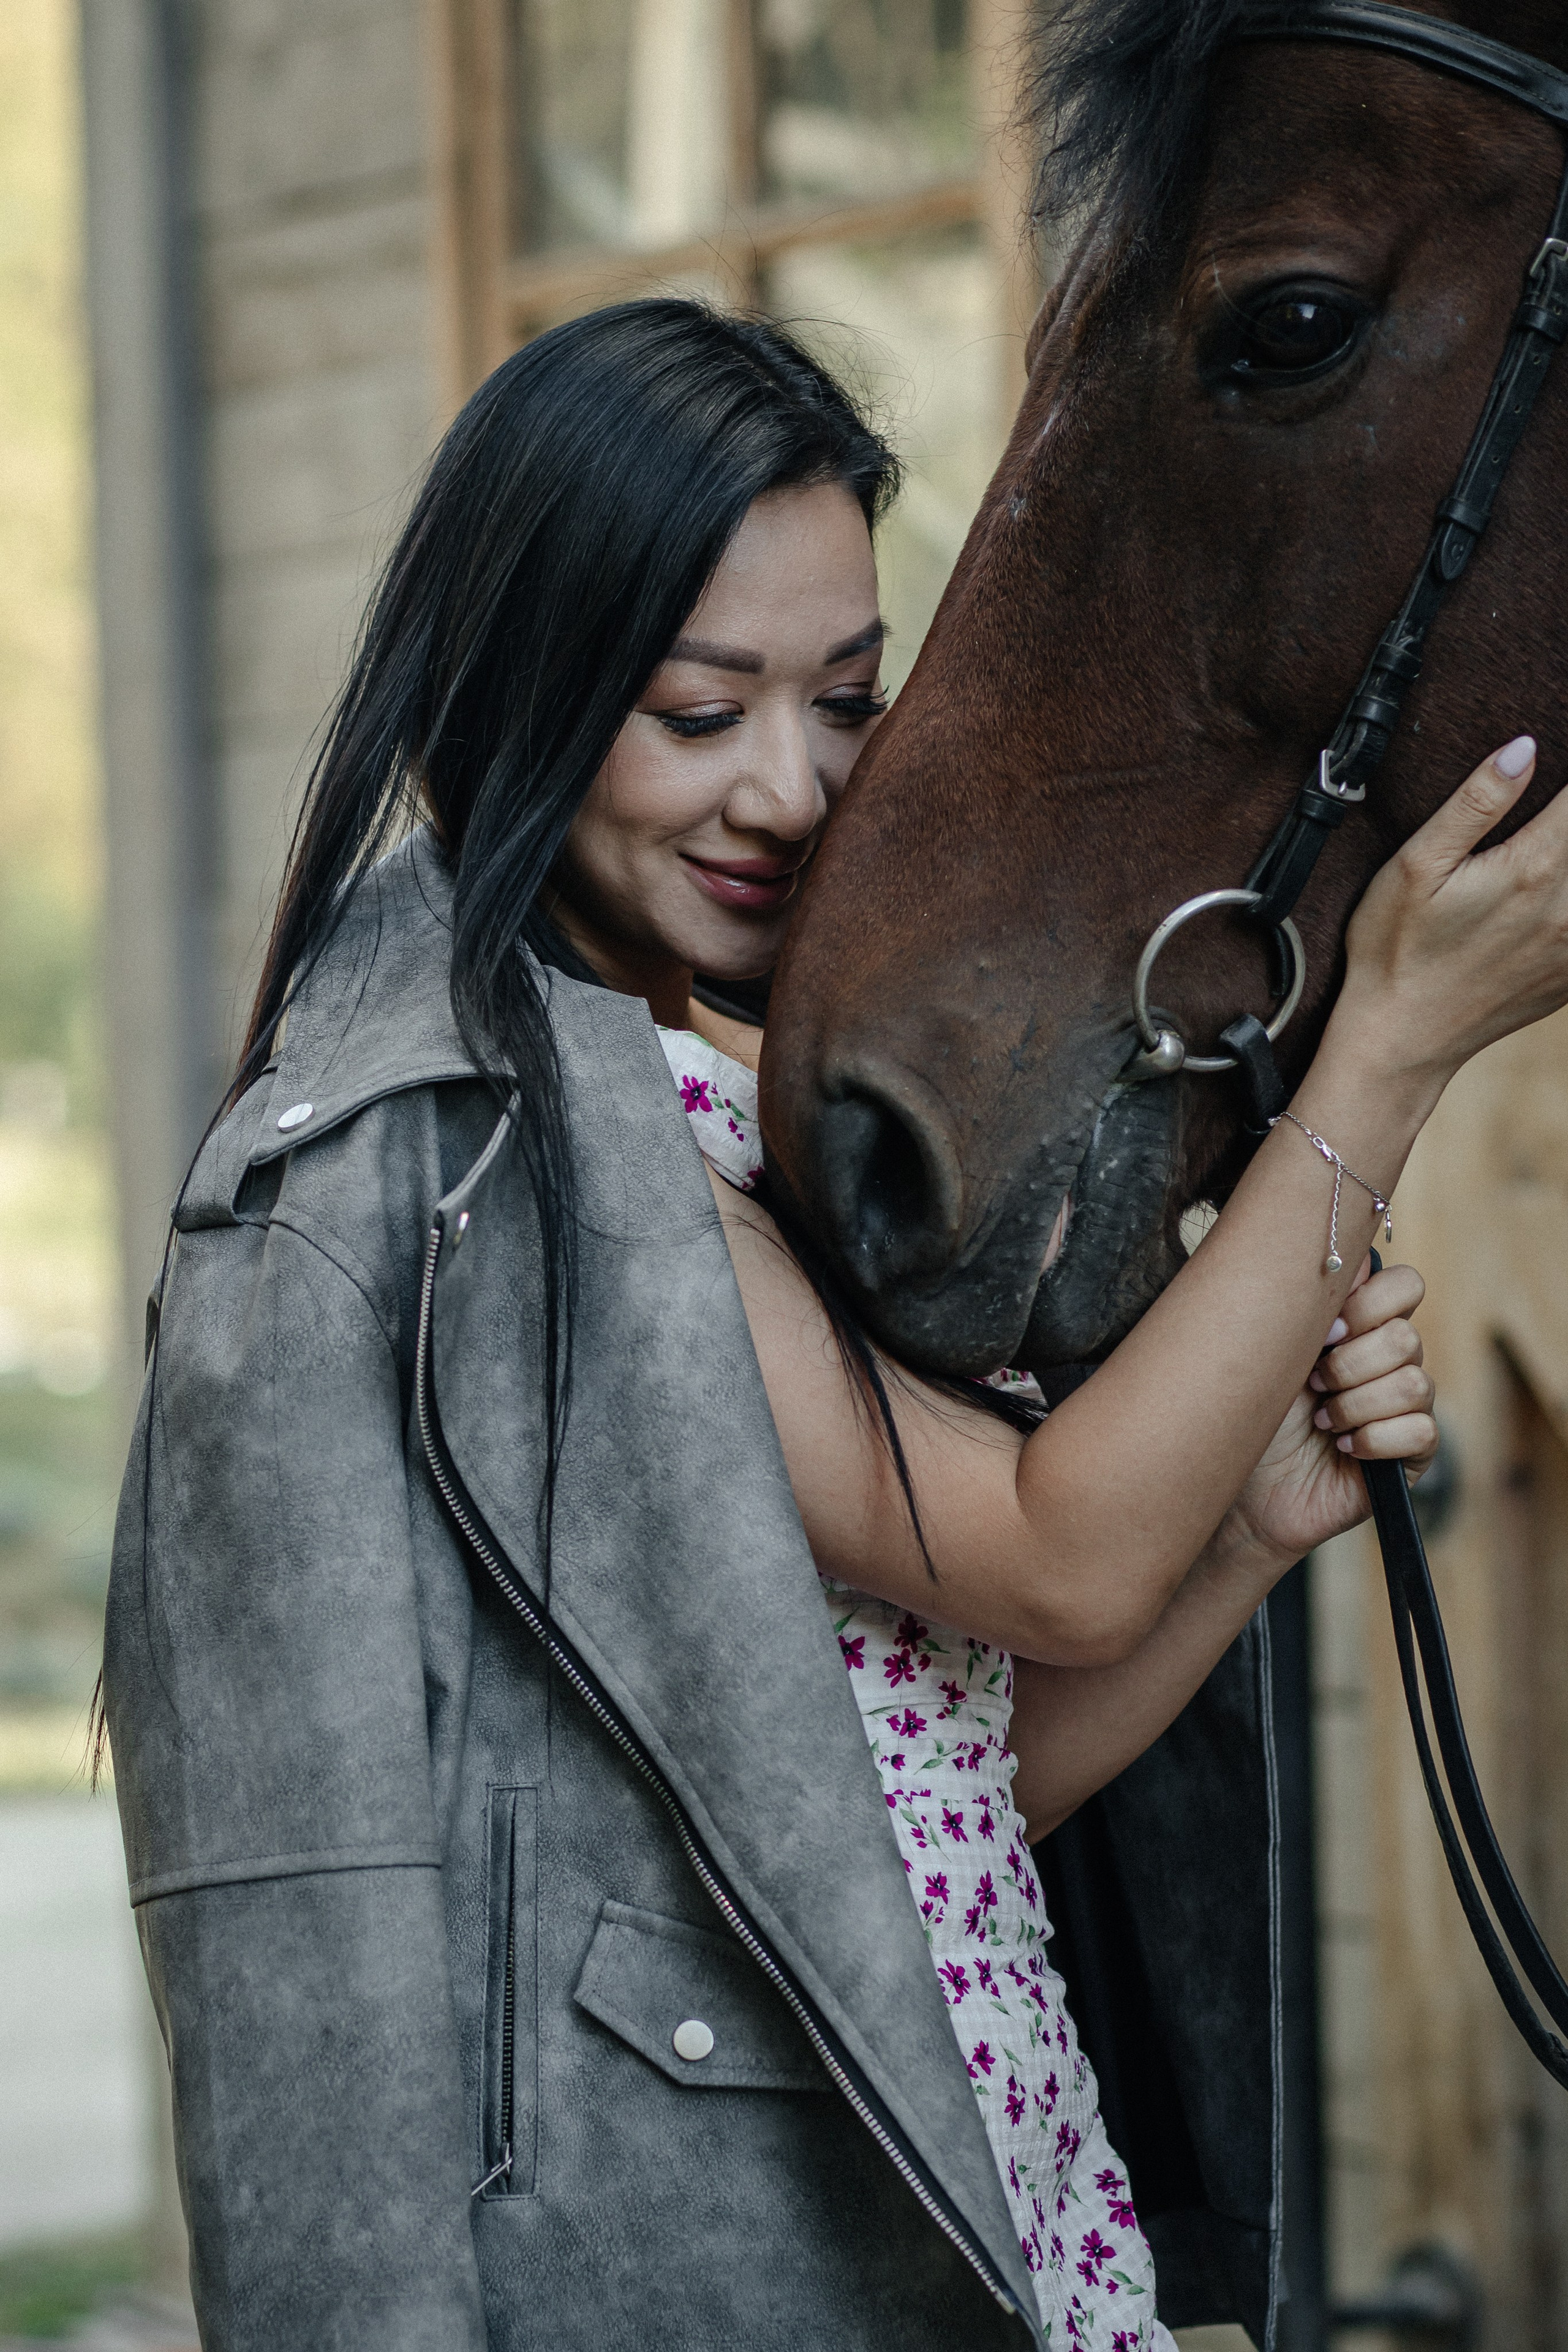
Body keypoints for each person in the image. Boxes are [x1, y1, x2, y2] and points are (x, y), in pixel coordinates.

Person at [102, 296, 1566, 2352]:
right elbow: (1056, 1553)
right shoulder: (491, 1164)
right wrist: (1389, 1050)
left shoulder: (708, 1106)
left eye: (850, 700)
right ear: (516, 682)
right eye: (701, 714)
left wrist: (1244, 1533)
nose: (790, 790)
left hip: (1004, 2231)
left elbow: (919, 1817)